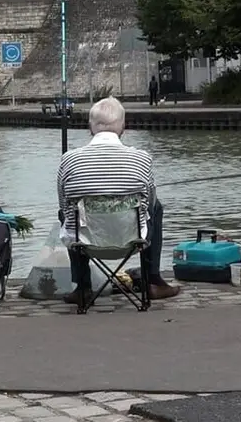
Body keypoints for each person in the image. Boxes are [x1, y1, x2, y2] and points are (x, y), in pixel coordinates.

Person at [57, 97, 180, 304]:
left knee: (67, 213)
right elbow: (149, 201)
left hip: (85, 241)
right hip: (132, 239)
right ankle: (154, 281)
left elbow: (63, 202)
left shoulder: (69, 159)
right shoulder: (141, 158)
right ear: (123, 127)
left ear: (90, 127)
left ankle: (83, 287)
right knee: (156, 208)